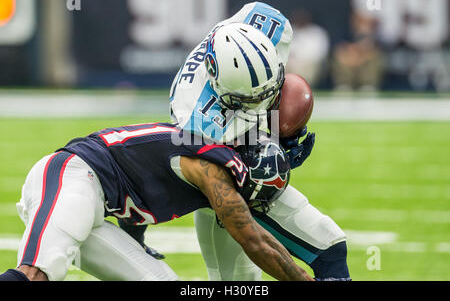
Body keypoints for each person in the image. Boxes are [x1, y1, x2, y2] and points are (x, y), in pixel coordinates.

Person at [164, 2, 351, 281]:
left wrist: (277, 135)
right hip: (225, 188)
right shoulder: (194, 120)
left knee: (331, 246)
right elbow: (228, 178)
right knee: (240, 281)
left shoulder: (269, 24)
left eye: (268, 92)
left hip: (238, 149)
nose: (261, 104)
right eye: (248, 101)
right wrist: (276, 159)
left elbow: (260, 108)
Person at [0, 122, 314, 281]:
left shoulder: (209, 166)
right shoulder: (210, 170)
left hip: (97, 201)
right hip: (71, 174)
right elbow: (254, 240)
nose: (250, 201)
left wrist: (135, 237)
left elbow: (135, 184)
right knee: (37, 271)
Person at [331, 12, 385, 93]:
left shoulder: (373, 33)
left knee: (376, 58)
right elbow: (341, 47)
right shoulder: (345, 31)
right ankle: (344, 85)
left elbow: (375, 49)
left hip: (365, 61)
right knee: (339, 56)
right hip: (349, 60)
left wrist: (361, 55)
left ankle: (368, 85)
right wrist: (353, 54)